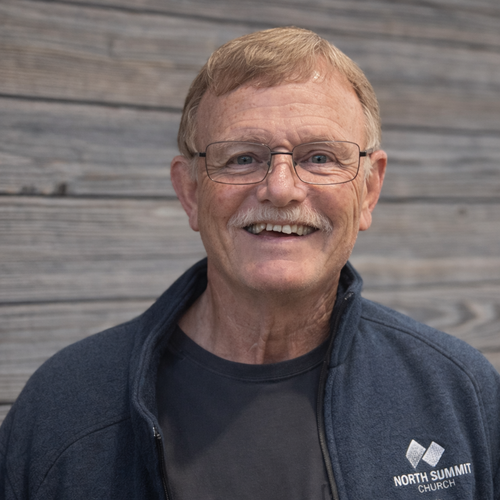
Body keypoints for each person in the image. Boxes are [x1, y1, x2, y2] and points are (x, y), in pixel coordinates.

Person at [1, 27, 499, 500]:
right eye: (242, 158)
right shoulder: (64, 408)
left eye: (320, 157)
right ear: (190, 191)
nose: (280, 189)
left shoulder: (456, 393)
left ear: (368, 190)